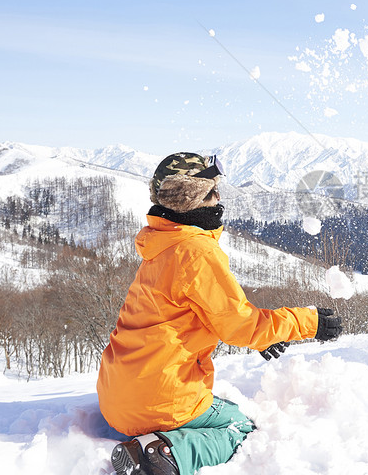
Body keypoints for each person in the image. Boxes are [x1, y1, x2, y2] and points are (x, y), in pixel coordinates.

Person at [97, 152, 343, 475]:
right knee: (239, 428)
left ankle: (148, 440)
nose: (219, 198)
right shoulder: (196, 252)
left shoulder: (161, 246)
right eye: (212, 191)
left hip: (114, 397)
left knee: (209, 408)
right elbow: (241, 325)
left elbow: (197, 318)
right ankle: (161, 454)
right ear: (193, 199)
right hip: (157, 399)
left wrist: (259, 336)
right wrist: (308, 323)